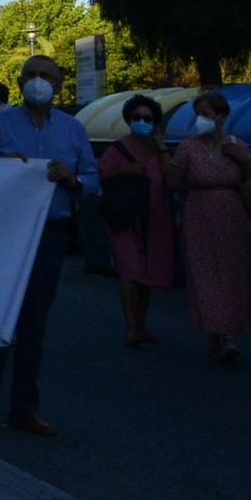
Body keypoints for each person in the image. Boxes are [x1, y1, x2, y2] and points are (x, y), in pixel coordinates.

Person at [0, 55, 99, 438]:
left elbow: (93, 180)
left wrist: (72, 179)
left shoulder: (73, 130)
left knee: (34, 326)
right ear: (21, 81)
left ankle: (25, 408)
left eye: (46, 76)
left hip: (50, 235)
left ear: (58, 85)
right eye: (31, 76)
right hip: (3, 236)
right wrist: (3, 170)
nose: (37, 81)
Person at [165, 90, 251, 363]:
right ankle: (213, 331)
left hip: (231, 214)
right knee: (204, 274)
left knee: (233, 272)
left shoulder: (236, 145)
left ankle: (229, 334)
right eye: (199, 114)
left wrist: (240, 160)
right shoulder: (188, 148)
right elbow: (172, 182)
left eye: (206, 114)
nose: (201, 119)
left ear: (222, 116)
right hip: (199, 214)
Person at [97, 95, 176, 347]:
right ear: (128, 120)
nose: (142, 122)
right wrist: (125, 172)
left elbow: (172, 181)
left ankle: (140, 325)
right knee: (130, 270)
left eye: (147, 118)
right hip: (125, 218)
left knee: (147, 273)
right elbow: (99, 176)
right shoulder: (117, 149)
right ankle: (131, 327)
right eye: (136, 118)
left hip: (155, 218)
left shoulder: (158, 150)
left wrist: (162, 148)